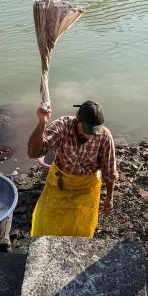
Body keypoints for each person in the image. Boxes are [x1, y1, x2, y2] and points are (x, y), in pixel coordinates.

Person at [27, 100, 117, 238]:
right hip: (58, 183)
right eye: (86, 130)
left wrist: (109, 197)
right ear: (77, 118)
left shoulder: (104, 136)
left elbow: (109, 171)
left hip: (86, 189)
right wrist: (42, 124)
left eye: (94, 131)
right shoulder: (63, 125)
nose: (89, 135)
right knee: (47, 219)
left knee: (80, 227)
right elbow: (34, 153)